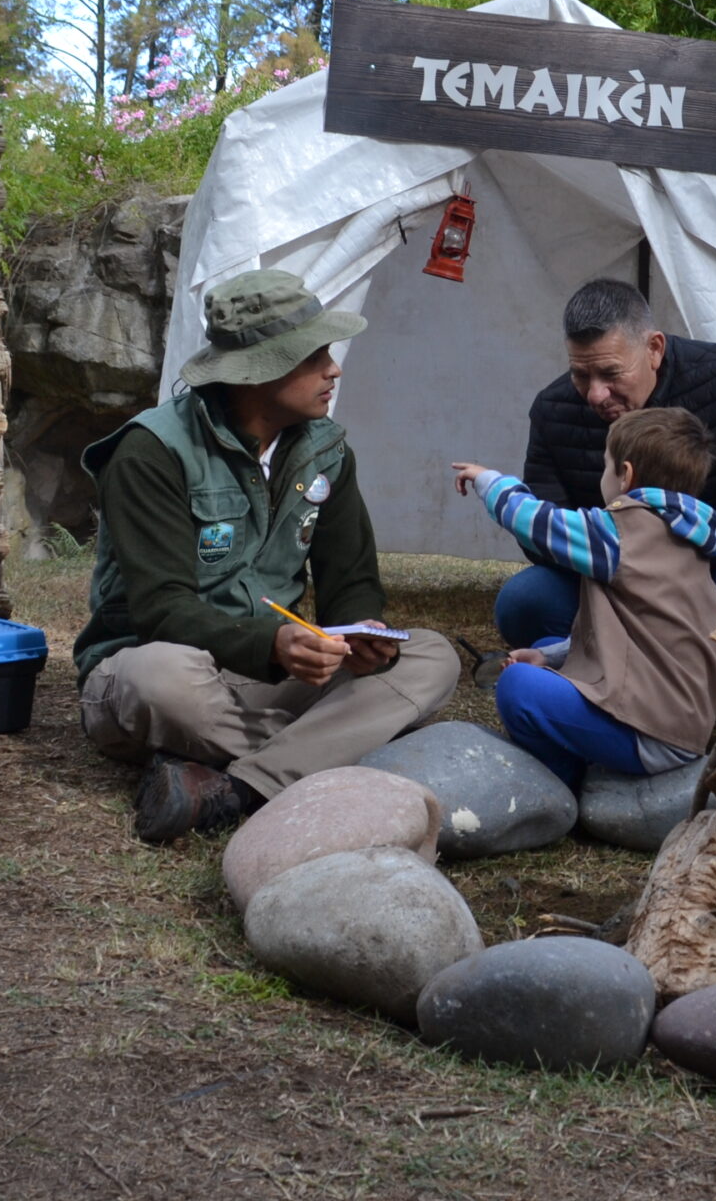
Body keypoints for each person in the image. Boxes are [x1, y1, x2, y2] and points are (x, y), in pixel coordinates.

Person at [72, 270, 461, 842]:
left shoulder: (326, 450)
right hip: (164, 667)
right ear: (259, 371)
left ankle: (239, 788)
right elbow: (161, 608)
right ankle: (334, 747)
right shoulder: (151, 452)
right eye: (316, 355)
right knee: (159, 678)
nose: (334, 369)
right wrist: (272, 644)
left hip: (267, 677)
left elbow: (349, 577)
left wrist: (362, 632)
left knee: (432, 656)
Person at [495, 278, 716, 667]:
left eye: (610, 374)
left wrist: (672, 560)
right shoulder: (552, 410)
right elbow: (542, 526)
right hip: (609, 579)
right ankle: (596, 690)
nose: (595, 394)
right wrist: (621, 565)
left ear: (654, 349)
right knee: (525, 599)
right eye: (581, 374)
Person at [451, 407, 716, 790]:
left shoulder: (622, 531)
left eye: (606, 466)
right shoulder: (686, 537)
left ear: (625, 476)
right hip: (677, 716)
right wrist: (549, 658)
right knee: (545, 649)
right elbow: (637, 641)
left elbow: (533, 520)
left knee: (519, 685)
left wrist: (490, 481)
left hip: (651, 734)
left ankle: (559, 783)